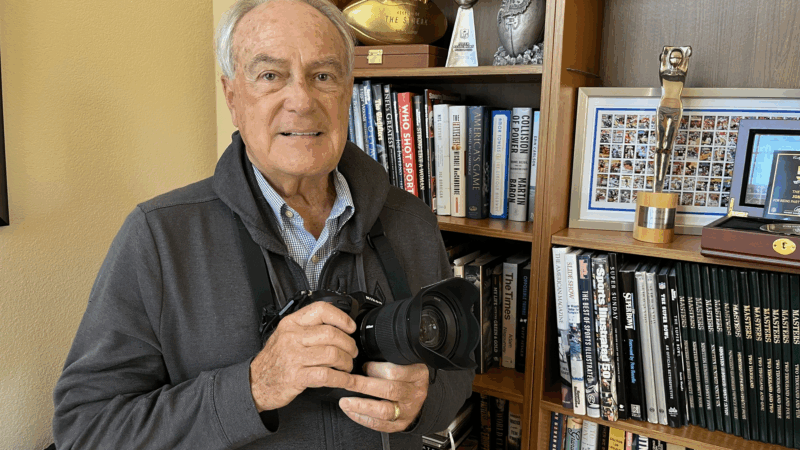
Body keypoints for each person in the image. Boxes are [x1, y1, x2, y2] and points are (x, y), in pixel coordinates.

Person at [51, 0, 474, 448]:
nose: (302, 100)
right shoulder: (158, 238)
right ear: (233, 97)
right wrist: (253, 387)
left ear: (347, 91)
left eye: (324, 76)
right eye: (270, 76)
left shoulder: (409, 221)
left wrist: (421, 401)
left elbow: (456, 372)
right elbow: (86, 429)